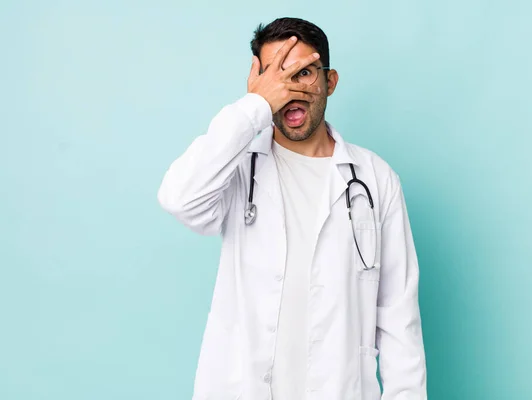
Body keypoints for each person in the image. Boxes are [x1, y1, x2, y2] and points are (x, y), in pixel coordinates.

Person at [158, 17, 427, 400]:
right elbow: (179, 198)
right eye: (276, 77)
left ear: (330, 82)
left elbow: (399, 317)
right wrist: (253, 107)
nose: (289, 90)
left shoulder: (375, 179)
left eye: (303, 73)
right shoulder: (237, 167)